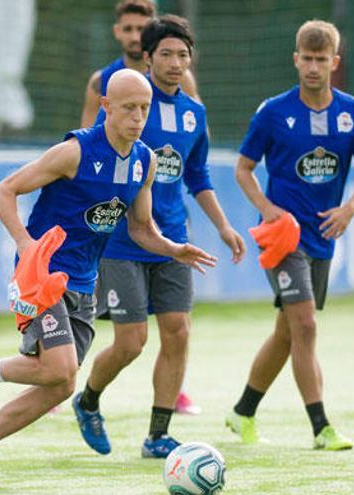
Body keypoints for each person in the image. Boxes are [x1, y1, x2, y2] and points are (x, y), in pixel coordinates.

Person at [0, 68, 217, 485]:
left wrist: (173, 248)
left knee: (61, 384)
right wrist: (24, 242)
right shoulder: (75, 151)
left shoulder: (145, 160)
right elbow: (4, 190)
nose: (138, 117)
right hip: (44, 273)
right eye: (128, 108)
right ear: (105, 107)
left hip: (84, 283)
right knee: (60, 367)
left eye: (144, 108)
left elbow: (141, 229)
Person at [72, 15, 246, 459]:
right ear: (147, 58)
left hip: (173, 239)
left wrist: (224, 226)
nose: (174, 62)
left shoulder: (194, 113)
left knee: (179, 331)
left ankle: (158, 436)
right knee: (131, 342)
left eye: (182, 55)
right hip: (123, 242)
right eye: (165, 54)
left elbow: (198, 174)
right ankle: (88, 399)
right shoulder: (129, 105)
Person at [226, 19, 354, 451]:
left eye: (321, 59)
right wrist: (269, 211)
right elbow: (243, 169)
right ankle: (321, 427)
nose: (313, 67)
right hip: (282, 240)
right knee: (306, 325)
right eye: (306, 59)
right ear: (296, 59)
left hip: (322, 237)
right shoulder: (273, 112)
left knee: (288, 333)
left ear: (335, 61)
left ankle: (242, 412)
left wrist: (349, 209)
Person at [79, 0, 199, 129]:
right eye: (128, 29)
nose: (135, 37)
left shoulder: (180, 77)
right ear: (116, 31)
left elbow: (197, 125)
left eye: (141, 29)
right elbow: (87, 136)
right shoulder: (100, 81)